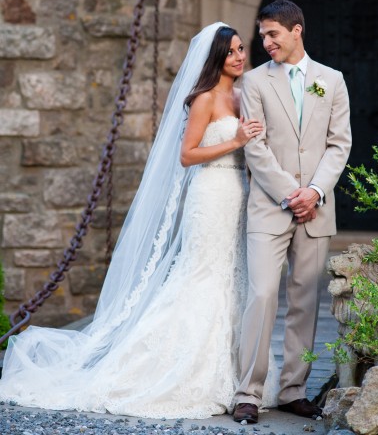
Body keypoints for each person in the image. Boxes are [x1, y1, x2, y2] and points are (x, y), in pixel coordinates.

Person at [0, 23, 276, 419]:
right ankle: (174, 366)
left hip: (238, 193)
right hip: (210, 194)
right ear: (217, 57)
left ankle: (236, 372)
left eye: (240, 49)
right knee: (202, 274)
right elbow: (187, 155)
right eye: (232, 51)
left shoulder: (241, 95)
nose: (240, 56)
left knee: (233, 277)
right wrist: (236, 141)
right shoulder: (204, 99)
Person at [233, 0, 352, 424]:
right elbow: (255, 146)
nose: (264, 43)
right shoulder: (253, 83)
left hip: (316, 211)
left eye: (272, 35)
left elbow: (340, 144)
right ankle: (248, 392)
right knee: (262, 295)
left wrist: (315, 192)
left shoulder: (332, 81)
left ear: (296, 30)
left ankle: (292, 390)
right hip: (270, 207)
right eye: (262, 35)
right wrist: (291, 193)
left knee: (304, 301)